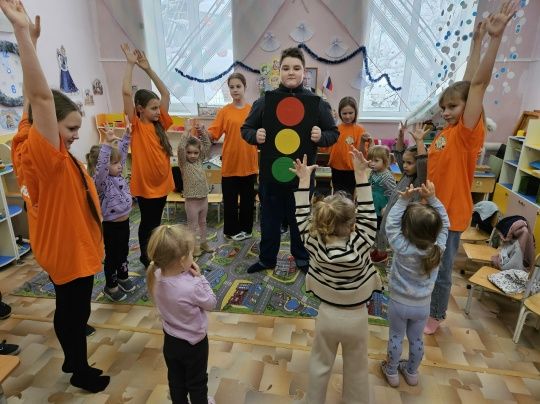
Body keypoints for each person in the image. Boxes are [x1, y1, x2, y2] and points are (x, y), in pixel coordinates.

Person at [1, 1, 109, 392]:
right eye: (71, 129)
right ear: (49, 129)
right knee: (73, 311)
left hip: (60, 243)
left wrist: (30, 44)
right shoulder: (46, 156)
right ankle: (78, 368)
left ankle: (73, 353)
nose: (77, 135)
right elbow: (43, 100)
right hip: (68, 249)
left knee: (73, 307)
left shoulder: (26, 137)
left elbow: (35, 101)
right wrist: (20, 33)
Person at [425, 0, 517, 335]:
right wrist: (475, 42)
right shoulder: (448, 131)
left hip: (451, 213)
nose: (446, 111)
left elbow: (476, 86)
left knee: (442, 268)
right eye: (444, 107)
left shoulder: (467, 132)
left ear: (467, 111)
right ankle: (426, 304)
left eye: (452, 107)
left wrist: (495, 38)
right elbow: (467, 85)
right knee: (428, 262)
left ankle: (436, 314)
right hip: (434, 208)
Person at [290, 150, 382, 404]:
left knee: (319, 363)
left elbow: (300, 216)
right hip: (356, 317)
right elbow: (369, 215)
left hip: (327, 316)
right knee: (357, 366)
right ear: (353, 225)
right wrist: (361, 175)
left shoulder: (313, 241)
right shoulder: (363, 242)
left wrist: (304, 181)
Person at [241, 47, 339, 274]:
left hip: (301, 177)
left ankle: (302, 258)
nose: (291, 72)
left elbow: (333, 133)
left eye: (296, 68)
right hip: (271, 176)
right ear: (279, 72)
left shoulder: (317, 103)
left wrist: (321, 136)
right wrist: (255, 135)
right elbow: (246, 129)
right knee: (269, 220)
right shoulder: (265, 101)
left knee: (300, 220)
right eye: (286, 68)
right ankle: (267, 259)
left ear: (304, 72)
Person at [380, 181, 449, 387]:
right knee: (416, 340)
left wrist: (403, 200)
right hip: (422, 306)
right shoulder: (438, 249)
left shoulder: (401, 246)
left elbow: (390, 223)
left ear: (407, 230)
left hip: (399, 302)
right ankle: (412, 373)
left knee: (396, 337)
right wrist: (433, 198)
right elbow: (446, 224)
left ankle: (392, 372)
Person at [146, 224, 217, 404]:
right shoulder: (192, 286)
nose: (193, 257)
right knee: (197, 382)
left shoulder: (155, 276)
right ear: (182, 260)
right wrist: (200, 277)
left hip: (171, 341)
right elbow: (211, 303)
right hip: (194, 344)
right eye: (192, 254)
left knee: (176, 381)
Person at [121, 43, 174, 268]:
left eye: (158, 108)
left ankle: (153, 252)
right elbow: (126, 92)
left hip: (162, 183)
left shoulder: (160, 123)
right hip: (146, 187)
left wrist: (148, 69)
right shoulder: (136, 125)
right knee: (148, 223)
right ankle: (146, 256)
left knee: (156, 222)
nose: (157, 111)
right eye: (153, 108)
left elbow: (165, 93)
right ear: (139, 109)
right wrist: (130, 64)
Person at [86, 125, 136, 302]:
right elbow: (103, 168)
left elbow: (120, 154)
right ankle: (111, 285)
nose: (120, 166)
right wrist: (107, 145)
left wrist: (126, 136)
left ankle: (123, 276)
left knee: (123, 252)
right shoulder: (101, 182)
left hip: (124, 222)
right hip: (111, 226)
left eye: (119, 163)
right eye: (114, 164)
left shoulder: (117, 175)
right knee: (112, 257)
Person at [207, 73, 257, 241]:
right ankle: (231, 230)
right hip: (230, 164)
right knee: (230, 200)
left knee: (247, 200)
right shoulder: (224, 111)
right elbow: (213, 133)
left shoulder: (252, 110)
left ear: (244, 87)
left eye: (238, 86)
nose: (235, 90)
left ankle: (246, 229)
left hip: (249, 163)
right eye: (232, 87)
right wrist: (203, 132)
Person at [377, 122, 430, 254]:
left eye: (409, 163)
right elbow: (399, 153)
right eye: (404, 162)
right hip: (392, 219)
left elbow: (423, 162)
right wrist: (401, 136)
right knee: (386, 247)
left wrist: (419, 141)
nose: (405, 165)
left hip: (403, 227)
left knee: (397, 250)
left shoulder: (420, 179)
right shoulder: (407, 174)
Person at [177, 127, 214, 257]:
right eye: (189, 152)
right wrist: (186, 133)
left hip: (203, 198)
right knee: (192, 225)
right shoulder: (184, 163)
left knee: (203, 222)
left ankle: (203, 243)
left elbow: (207, 145)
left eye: (195, 153)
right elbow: (180, 148)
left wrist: (202, 132)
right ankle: (193, 247)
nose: (192, 155)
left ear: (199, 153)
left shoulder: (199, 160)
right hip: (192, 201)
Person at [318, 96, 365, 198]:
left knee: (349, 197)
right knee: (337, 195)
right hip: (336, 168)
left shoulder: (359, 130)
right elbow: (326, 146)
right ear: (340, 113)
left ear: (355, 112)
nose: (347, 116)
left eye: (350, 113)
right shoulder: (335, 129)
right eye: (344, 113)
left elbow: (362, 152)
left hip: (351, 170)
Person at [367, 144, 396, 263]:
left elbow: (394, 194)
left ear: (385, 161)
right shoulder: (373, 173)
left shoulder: (388, 176)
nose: (372, 163)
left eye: (376, 161)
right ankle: (376, 248)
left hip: (381, 207)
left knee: (381, 230)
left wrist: (387, 207)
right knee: (373, 227)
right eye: (370, 160)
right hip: (373, 204)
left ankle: (382, 252)